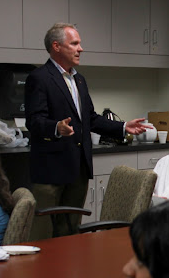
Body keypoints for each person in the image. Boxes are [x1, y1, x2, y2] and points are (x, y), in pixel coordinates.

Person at [25, 23, 151, 239]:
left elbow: (90, 118)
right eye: (74, 44)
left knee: (71, 230)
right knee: (44, 232)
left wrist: (122, 127)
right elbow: (34, 121)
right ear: (56, 46)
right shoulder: (40, 78)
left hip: (78, 168)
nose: (80, 49)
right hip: (51, 169)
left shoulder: (79, 80)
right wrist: (56, 127)